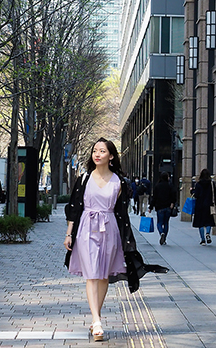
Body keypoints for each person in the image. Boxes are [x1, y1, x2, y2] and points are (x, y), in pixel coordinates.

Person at [64, 138, 167, 341]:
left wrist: (127, 240)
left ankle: (95, 319)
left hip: (110, 230)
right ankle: (98, 321)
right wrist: (69, 233)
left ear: (111, 156)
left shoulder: (119, 182)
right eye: (95, 150)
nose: (97, 154)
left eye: (102, 151)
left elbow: (122, 213)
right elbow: (74, 207)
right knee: (92, 274)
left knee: (103, 275)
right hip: (86, 229)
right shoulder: (84, 179)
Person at [191, 168, 216, 246]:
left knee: (200, 223)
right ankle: (208, 233)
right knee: (208, 221)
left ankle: (203, 240)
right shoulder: (211, 184)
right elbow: (214, 194)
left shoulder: (198, 184)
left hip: (200, 205)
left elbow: (196, 195)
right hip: (209, 205)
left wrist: (192, 191)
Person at [149, 171, 177, 245]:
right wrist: (172, 203)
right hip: (168, 207)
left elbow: (154, 197)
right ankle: (164, 238)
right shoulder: (170, 185)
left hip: (160, 207)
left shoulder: (157, 186)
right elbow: (174, 195)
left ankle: (161, 233)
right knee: (166, 223)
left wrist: (151, 207)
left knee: (159, 223)